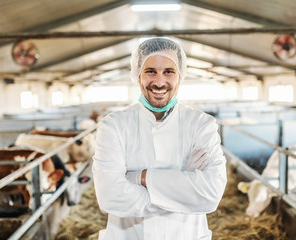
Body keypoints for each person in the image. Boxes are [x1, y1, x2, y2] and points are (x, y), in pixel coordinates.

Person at [92, 37, 227, 240]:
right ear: (137, 74)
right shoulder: (113, 126)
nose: (159, 82)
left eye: (169, 71)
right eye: (150, 71)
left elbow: (210, 196)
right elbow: (109, 197)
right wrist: (182, 186)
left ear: (180, 75)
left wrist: (140, 178)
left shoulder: (201, 124)